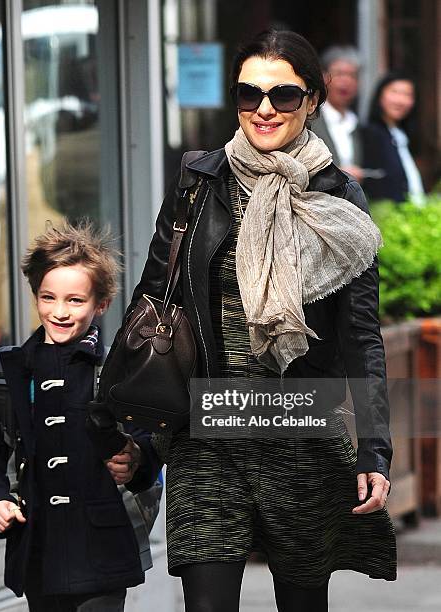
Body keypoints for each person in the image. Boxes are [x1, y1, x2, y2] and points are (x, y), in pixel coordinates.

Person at [98, 30, 397, 612]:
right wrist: (134, 431)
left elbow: (361, 336)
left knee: (302, 601)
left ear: (313, 100)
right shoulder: (198, 184)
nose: (264, 109)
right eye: (249, 93)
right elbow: (154, 305)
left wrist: (374, 450)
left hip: (302, 431)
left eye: (283, 96)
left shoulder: (341, 198)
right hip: (207, 433)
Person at [0, 220, 159, 612]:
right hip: (39, 548)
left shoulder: (118, 369)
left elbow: (151, 439)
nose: (59, 312)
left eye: (75, 300)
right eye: (48, 297)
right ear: (35, 296)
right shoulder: (11, 369)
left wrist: (136, 456)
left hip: (104, 546)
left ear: (100, 303)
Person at [362, 72, 425, 203]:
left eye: (407, 95)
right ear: (380, 96)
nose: (401, 100)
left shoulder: (405, 134)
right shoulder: (370, 134)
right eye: (394, 92)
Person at [311, 45, 364, 183]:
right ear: (324, 77)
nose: (346, 81)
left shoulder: (357, 124)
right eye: (340, 74)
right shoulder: (310, 118)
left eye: (352, 75)